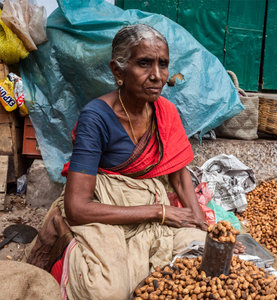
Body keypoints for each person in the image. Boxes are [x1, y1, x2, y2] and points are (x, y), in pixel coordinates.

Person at [26, 24, 242, 300]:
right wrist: (159, 212)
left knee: (200, 260)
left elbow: (179, 177)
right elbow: (77, 207)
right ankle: (66, 252)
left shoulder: (166, 113)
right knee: (106, 291)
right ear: (118, 71)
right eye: (144, 64)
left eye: (163, 65)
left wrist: (209, 233)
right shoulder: (96, 117)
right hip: (105, 210)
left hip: (153, 205)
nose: (157, 76)